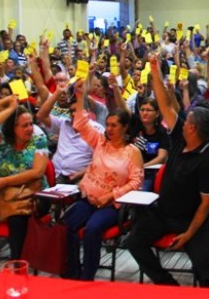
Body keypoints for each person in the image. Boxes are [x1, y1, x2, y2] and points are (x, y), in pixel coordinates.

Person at [126, 55, 209, 287]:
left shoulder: (208, 159)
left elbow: (206, 204)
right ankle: (166, 283)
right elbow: (163, 103)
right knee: (133, 242)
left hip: (191, 220)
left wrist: (188, 234)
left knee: (203, 268)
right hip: (163, 213)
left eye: (187, 120)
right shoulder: (180, 135)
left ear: (193, 128)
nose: (182, 120)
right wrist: (155, 70)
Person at [63, 81, 143, 281]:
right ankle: (71, 272)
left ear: (125, 128)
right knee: (66, 225)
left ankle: (87, 277)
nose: (108, 129)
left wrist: (110, 196)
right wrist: (80, 97)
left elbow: (135, 183)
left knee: (91, 229)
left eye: (114, 125)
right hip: (88, 198)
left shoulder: (132, 152)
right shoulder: (100, 141)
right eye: (107, 124)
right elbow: (81, 124)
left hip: (111, 205)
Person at [0, 95, 49, 270]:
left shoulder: (39, 142)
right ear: (12, 128)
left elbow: (37, 172)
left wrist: (5, 180)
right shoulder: (4, 142)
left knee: (16, 220)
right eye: (24, 125)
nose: (30, 128)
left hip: (33, 195)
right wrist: (11, 109)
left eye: (30, 124)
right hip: (5, 195)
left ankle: (17, 267)